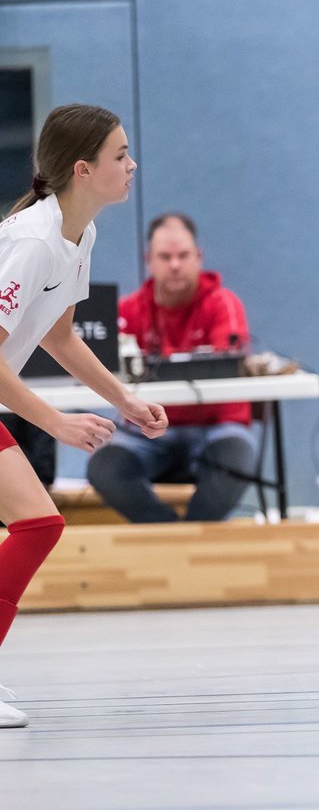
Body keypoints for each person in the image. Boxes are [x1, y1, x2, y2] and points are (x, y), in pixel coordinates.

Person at [0, 105, 168, 727]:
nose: (131, 164)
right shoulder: (33, 242)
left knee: (37, 526)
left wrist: (122, 400)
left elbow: (60, 336)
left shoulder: (79, 235)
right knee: (38, 525)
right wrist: (57, 424)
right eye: (120, 154)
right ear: (83, 168)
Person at [86, 212, 257, 523]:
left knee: (239, 452)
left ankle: (193, 539)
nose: (175, 265)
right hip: (145, 431)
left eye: (183, 256)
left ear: (199, 257)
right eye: (166, 257)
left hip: (215, 428)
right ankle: (168, 533)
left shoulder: (224, 305)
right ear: (149, 259)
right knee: (103, 465)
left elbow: (228, 364)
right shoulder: (126, 311)